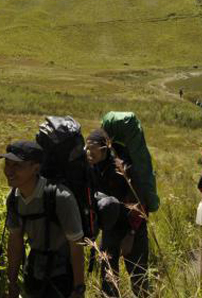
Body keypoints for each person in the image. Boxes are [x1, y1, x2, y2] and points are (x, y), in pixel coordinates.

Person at [0, 141, 85, 298]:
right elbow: (15, 241)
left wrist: (79, 289)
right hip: (33, 272)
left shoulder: (60, 197)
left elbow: (76, 245)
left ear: (35, 168)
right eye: (7, 164)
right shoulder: (13, 199)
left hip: (62, 276)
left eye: (17, 166)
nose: (9, 171)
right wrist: (11, 282)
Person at [86, 128, 150, 298]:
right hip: (110, 229)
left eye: (92, 147)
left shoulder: (123, 168)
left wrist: (131, 234)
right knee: (108, 279)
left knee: (138, 278)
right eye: (86, 147)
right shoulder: (91, 169)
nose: (88, 151)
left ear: (104, 149)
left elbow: (139, 203)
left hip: (133, 228)